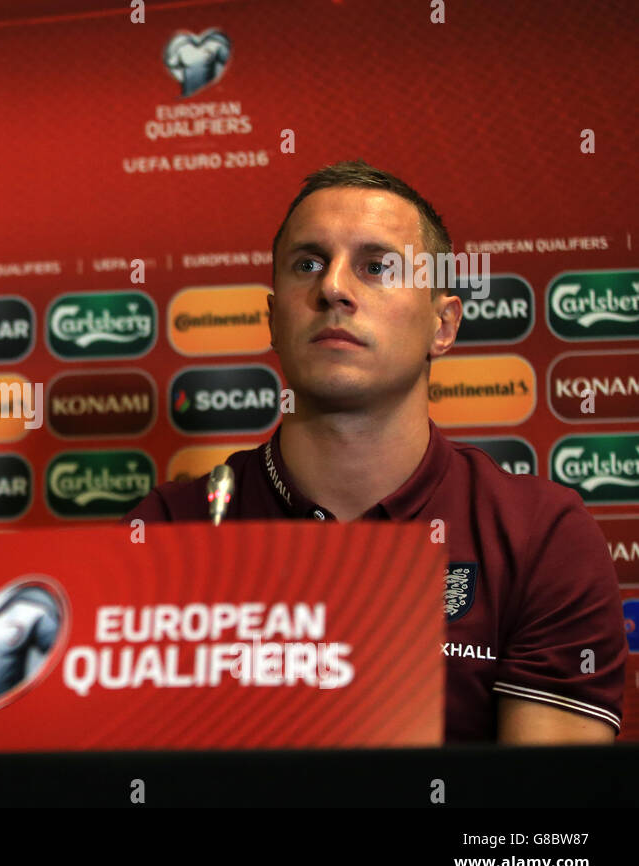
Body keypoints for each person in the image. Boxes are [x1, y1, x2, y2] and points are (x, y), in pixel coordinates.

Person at [123, 160, 625, 744]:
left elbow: (539, 831)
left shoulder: (541, 537)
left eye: (377, 266)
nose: (332, 287)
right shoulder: (163, 532)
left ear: (444, 325)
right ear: (272, 320)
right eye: (307, 263)